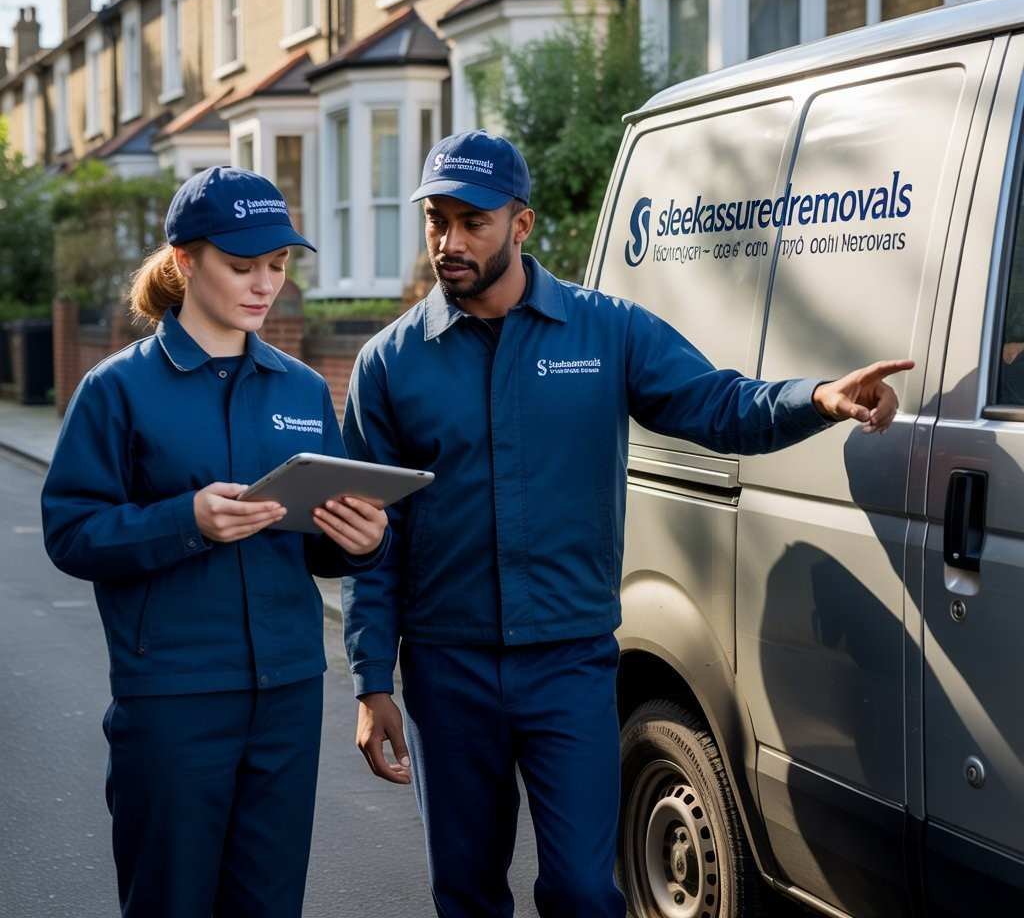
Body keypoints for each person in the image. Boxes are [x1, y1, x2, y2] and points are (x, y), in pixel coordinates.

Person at [339, 130, 913, 917]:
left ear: (522, 224)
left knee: (580, 887)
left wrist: (814, 399)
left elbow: (718, 403)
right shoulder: (389, 363)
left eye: (473, 222)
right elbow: (375, 540)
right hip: (448, 669)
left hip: (570, 665)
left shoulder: (603, 331)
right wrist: (374, 681)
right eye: (437, 221)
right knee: (466, 893)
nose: (449, 242)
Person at [40, 166, 390, 918]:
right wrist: (185, 522)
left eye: (277, 264)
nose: (264, 284)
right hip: (172, 698)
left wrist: (359, 543)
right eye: (242, 266)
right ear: (183, 261)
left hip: (289, 695)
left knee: (269, 904)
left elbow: (316, 544)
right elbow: (70, 533)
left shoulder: (300, 389)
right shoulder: (116, 389)